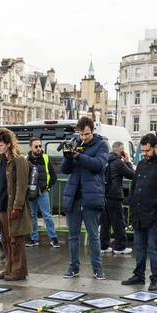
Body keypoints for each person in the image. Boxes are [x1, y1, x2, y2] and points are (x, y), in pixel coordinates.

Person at [123, 132, 157, 292]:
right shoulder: (141, 163)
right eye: (143, 151)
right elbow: (134, 186)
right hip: (138, 212)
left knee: (153, 247)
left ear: (156, 147)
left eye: (147, 151)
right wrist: (131, 201)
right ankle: (139, 275)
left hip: (154, 214)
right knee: (139, 247)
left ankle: (155, 279)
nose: (144, 154)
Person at [59, 115, 108, 279]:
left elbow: (99, 166)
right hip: (74, 197)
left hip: (91, 197)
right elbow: (65, 170)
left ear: (92, 131)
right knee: (73, 236)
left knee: (94, 236)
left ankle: (97, 269)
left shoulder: (101, 145)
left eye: (86, 134)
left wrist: (78, 156)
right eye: (81, 134)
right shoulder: (75, 142)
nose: (83, 137)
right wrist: (67, 156)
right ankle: (73, 267)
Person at [0, 127, 29, 281]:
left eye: (0, 145)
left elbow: (21, 186)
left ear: (8, 144)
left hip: (12, 206)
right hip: (1, 205)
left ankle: (19, 270)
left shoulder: (19, 160)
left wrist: (17, 207)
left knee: (16, 240)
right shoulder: (0, 160)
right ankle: (9, 267)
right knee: (5, 240)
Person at [25, 137, 60, 248]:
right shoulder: (26, 159)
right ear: (31, 147)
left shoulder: (45, 158)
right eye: (36, 146)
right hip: (30, 193)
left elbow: (54, 176)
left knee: (47, 215)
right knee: (32, 216)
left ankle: (53, 238)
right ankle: (34, 239)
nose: (39, 148)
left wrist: (47, 187)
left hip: (43, 192)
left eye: (40, 146)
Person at [102, 141, 135, 255]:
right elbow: (132, 175)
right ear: (121, 151)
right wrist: (128, 161)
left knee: (105, 222)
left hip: (103, 195)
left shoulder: (105, 160)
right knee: (118, 222)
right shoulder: (118, 162)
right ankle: (120, 247)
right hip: (115, 195)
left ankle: (103, 246)